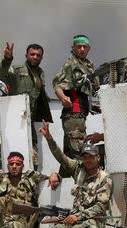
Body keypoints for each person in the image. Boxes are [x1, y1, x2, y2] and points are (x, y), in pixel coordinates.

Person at [39, 121, 113, 228]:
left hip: (95, 219)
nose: (88, 160)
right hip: (75, 217)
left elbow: (100, 207)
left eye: (91, 157)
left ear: (98, 158)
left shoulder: (104, 178)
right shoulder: (78, 170)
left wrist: (77, 216)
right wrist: (49, 138)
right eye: (85, 157)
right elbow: (61, 157)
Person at [0, 42, 53, 168]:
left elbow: (39, 94)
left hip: (31, 121)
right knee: (12, 157)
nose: (35, 57)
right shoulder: (17, 70)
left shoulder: (41, 74)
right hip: (15, 120)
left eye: (38, 55)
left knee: (34, 160)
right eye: (32, 54)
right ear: (26, 55)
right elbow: (0, 74)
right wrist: (7, 59)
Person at [52, 34, 99, 171]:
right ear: (73, 48)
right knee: (81, 154)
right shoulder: (70, 64)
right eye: (79, 47)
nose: (82, 49)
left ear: (89, 48)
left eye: (85, 47)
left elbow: (89, 89)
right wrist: (62, 98)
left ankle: (62, 180)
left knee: (69, 156)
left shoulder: (88, 65)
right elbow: (57, 84)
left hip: (81, 113)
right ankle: (87, 184)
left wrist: (91, 106)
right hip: (73, 114)